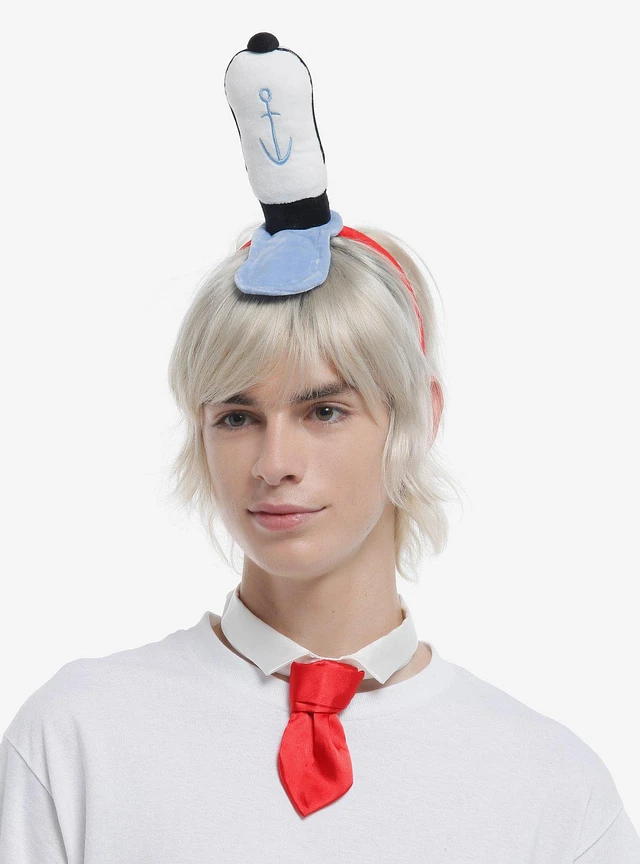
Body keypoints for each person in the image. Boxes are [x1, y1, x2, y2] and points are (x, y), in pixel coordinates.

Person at [1, 31, 639, 864]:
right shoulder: (76, 737)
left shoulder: (552, 791)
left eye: (325, 410)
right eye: (237, 417)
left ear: (418, 418)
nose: (274, 463)